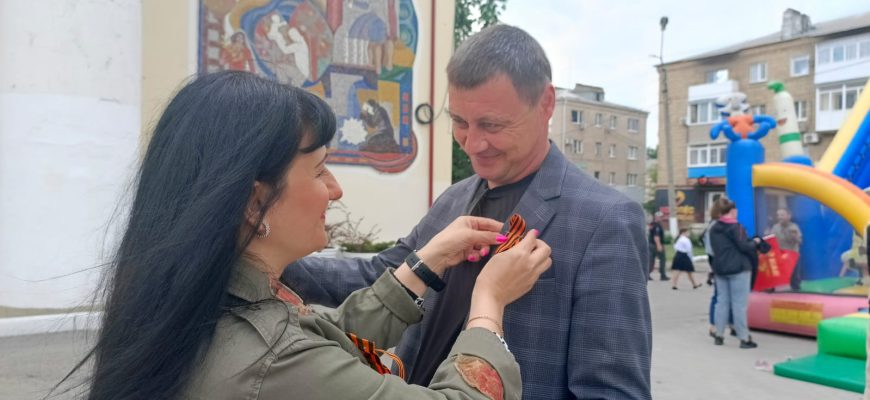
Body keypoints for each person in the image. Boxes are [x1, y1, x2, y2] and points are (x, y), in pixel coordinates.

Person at [59, 71, 554, 400]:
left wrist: (424, 263)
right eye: (319, 171)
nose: (335, 190)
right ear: (254, 202)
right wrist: (488, 303)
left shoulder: (202, 301)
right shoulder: (270, 362)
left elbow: (326, 332)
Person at [283, 24, 652, 399]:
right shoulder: (455, 198)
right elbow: (383, 277)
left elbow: (612, 392)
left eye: (492, 125)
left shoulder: (606, 220)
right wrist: (267, 258)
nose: (473, 144)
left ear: (546, 104)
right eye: (459, 122)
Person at [709, 197, 761, 349]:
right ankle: (744, 338)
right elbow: (744, 246)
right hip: (739, 268)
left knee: (722, 302)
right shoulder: (736, 227)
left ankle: (719, 335)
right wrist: (756, 242)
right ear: (732, 211)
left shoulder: (714, 228)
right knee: (739, 304)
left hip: (720, 268)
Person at [771, 208, 802, 290]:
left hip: (792, 256)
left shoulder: (794, 227)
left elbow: (800, 241)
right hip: (780, 256)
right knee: (777, 277)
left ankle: (796, 292)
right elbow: (771, 241)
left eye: (782, 215)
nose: (779, 217)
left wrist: (794, 237)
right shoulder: (775, 227)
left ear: (789, 216)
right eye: (778, 215)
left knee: (794, 278)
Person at [648, 212, 669, 281]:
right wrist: (659, 245)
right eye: (660, 217)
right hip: (655, 245)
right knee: (662, 260)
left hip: (651, 245)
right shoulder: (657, 226)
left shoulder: (652, 224)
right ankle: (663, 275)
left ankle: (647, 275)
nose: (662, 218)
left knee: (651, 260)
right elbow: (656, 236)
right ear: (657, 217)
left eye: (662, 216)